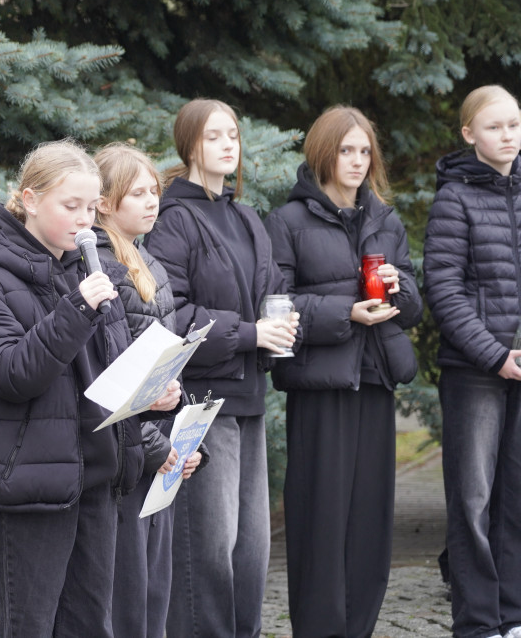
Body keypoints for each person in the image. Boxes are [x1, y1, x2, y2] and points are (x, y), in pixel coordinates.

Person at [0, 138, 182, 638]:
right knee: (31, 627)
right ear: (30, 200)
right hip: (32, 485)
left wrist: (152, 396)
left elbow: (108, 371)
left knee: (88, 627)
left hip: (95, 481)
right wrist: (76, 310)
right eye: (69, 206)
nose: (84, 220)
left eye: (90, 207)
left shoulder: (88, 266)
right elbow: (9, 374)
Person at [263, 105, 423, 637]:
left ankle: (360, 629)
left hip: (374, 379)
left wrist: (400, 288)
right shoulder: (288, 222)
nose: (356, 161)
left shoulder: (386, 220)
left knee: (369, 523)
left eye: (364, 151)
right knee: (321, 523)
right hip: (320, 387)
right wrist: (343, 313)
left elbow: (417, 307)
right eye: (345, 150)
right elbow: (274, 303)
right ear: (322, 153)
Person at [144, 99, 295, 638]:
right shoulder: (173, 220)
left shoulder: (245, 216)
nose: (228, 144)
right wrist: (250, 332)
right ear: (189, 145)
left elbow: (272, 292)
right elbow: (171, 316)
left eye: (233, 134)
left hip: (249, 396)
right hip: (200, 405)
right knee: (206, 550)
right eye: (214, 136)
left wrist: (281, 318)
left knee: (250, 550)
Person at [92, 142, 207, 638]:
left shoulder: (148, 260)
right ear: (104, 202)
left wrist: (183, 442)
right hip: (128, 456)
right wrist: (160, 447)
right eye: (136, 193)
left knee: (154, 593)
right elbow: (111, 376)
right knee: (128, 599)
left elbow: (164, 364)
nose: (151, 201)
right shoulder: (99, 267)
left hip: (157, 451)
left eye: (153, 191)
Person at [424, 84, 521, 638]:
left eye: (513, 124)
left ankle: (514, 614)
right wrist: (494, 356)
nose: (506, 135)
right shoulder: (454, 198)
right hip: (475, 373)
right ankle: (479, 621)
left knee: (515, 494)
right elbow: (443, 288)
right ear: (469, 134)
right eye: (493, 127)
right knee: (473, 498)